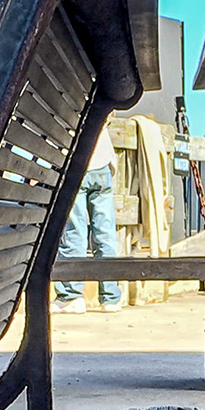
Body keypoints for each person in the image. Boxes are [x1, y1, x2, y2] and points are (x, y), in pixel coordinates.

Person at [54, 124, 123, 313]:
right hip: (102, 163)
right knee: (105, 232)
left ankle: (71, 295)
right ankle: (110, 297)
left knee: (73, 231)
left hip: (76, 163)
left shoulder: (68, 96)